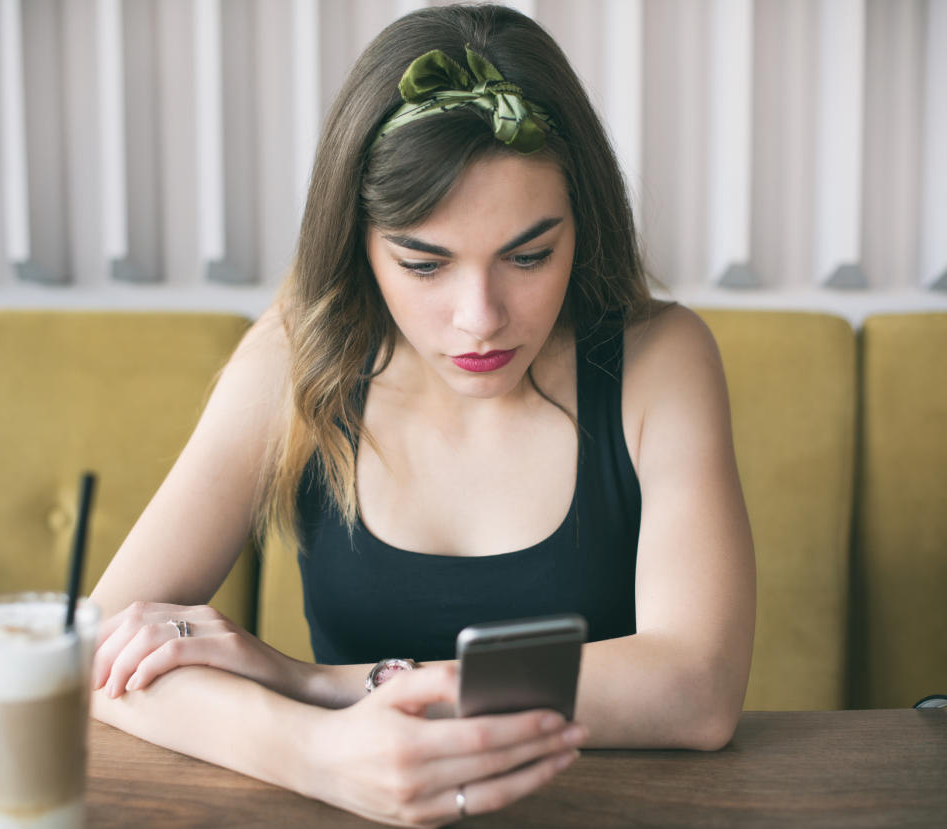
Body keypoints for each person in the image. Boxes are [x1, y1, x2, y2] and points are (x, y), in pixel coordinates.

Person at [89, 4, 755, 826]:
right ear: (360, 247)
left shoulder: (661, 359)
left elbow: (696, 690)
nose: (479, 317)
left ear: (584, 227)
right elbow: (94, 654)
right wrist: (315, 754)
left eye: (528, 255)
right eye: (424, 263)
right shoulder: (297, 358)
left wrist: (313, 683)